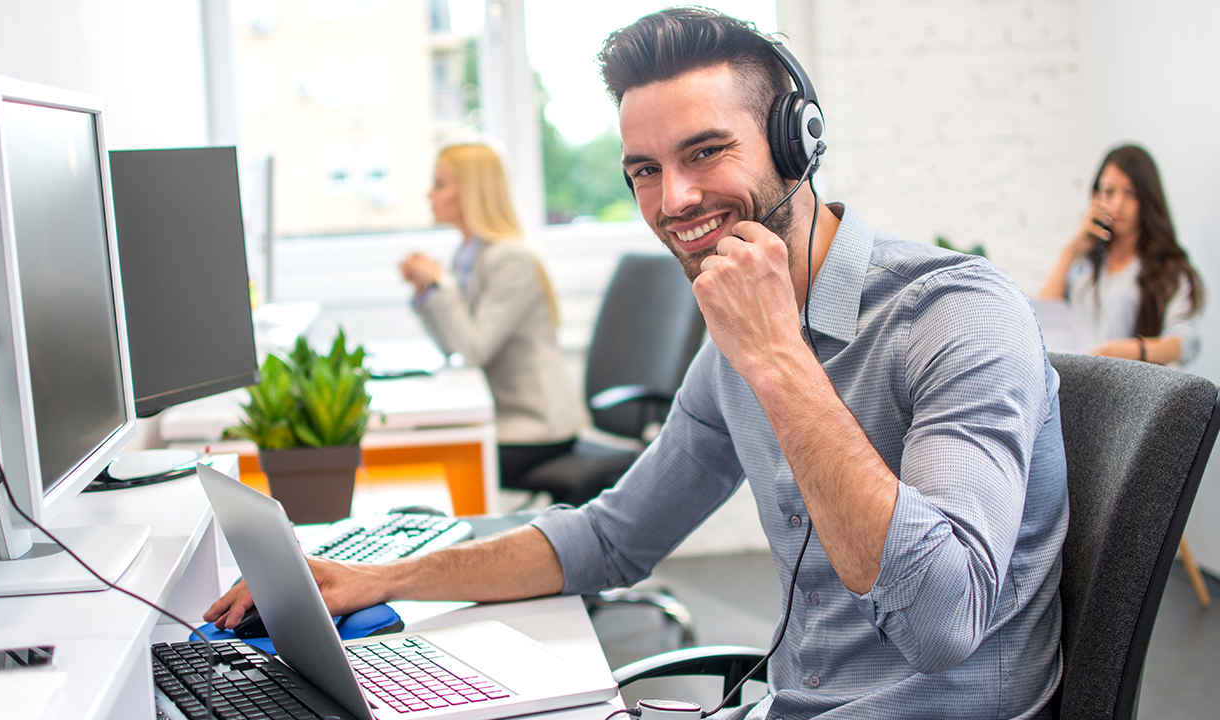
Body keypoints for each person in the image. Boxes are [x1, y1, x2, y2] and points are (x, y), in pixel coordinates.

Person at [209, 8, 1067, 718]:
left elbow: (944, 620)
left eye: (705, 151)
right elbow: (612, 538)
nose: (676, 200)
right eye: (645, 171)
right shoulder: (736, 333)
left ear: (795, 143)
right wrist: (377, 579)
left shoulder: (957, 315)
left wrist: (778, 356)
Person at [398, 142, 584, 489]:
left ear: (470, 190)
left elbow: (472, 350)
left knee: (433, 458)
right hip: (506, 421)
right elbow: (454, 346)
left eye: (439, 184)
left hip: (537, 429)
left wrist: (439, 285)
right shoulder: (470, 255)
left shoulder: (510, 259)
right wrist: (427, 292)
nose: (429, 194)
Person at [1039, 144, 1203, 365]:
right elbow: (1046, 318)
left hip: (1132, 387)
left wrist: (1134, 351)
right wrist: (1070, 251)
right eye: (1109, 192)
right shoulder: (1084, 262)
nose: (1117, 204)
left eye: (1130, 193)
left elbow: (1185, 342)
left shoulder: (1168, 269)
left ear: (1146, 199)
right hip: (1079, 384)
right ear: (1095, 197)